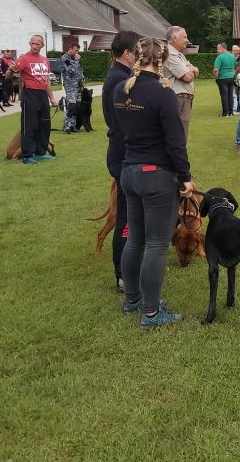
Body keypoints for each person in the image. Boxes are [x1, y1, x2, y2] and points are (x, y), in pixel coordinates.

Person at [115, 37, 193, 328]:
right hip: (155, 174)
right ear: (162, 61)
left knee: (135, 239)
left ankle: (132, 299)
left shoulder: (122, 90)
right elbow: (175, 142)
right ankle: (150, 312)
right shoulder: (163, 92)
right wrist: (185, 177)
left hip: (130, 171)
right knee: (157, 245)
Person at [102, 29, 140, 293]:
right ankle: (122, 275)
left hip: (124, 153)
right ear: (127, 53)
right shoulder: (120, 81)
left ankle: (130, 268)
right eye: (137, 51)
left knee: (133, 216)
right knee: (126, 219)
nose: (139, 56)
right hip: (124, 156)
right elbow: (124, 125)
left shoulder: (122, 75)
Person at [15, 35, 58, 164]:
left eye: (37, 44)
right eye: (32, 43)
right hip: (30, 94)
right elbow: (9, 74)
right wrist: (11, 71)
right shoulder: (23, 59)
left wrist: (51, 98)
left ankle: (41, 152)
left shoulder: (45, 60)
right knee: (30, 125)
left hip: (42, 95)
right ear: (29, 43)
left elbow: (47, 80)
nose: (34, 46)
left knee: (44, 125)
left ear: (42, 46)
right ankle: (27, 155)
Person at [162, 26, 199, 141]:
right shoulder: (170, 54)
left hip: (182, 100)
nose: (187, 40)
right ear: (174, 38)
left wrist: (192, 69)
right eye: (185, 37)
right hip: (179, 99)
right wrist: (191, 69)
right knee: (179, 137)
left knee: (180, 135)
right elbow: (188, 76)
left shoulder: (179, 55)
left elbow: (196, 72)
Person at [59, 43, 85, 134]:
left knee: (77, 106)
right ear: (70, 49)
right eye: (75, 50)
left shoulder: (74, 58)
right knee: (71, 106)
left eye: (78, 51)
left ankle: (72, 125)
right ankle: (66, 126)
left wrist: (82, 80)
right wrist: (77, 61)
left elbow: (79, 70)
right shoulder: (65, 59)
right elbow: (71, 70)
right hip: (70, 85)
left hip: (78, 85)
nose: (77, 52)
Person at [213, 43, 236, 116]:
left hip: (223, 78)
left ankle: (225, 113)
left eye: (218, 48)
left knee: (224, 95)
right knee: (230, 95)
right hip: (231, 77)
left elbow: (216, 70)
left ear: (222, 49)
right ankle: (231, 112)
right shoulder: (232, 56)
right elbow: (234, 66)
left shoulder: (219, 57)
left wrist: (217, 78)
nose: (217, 50)